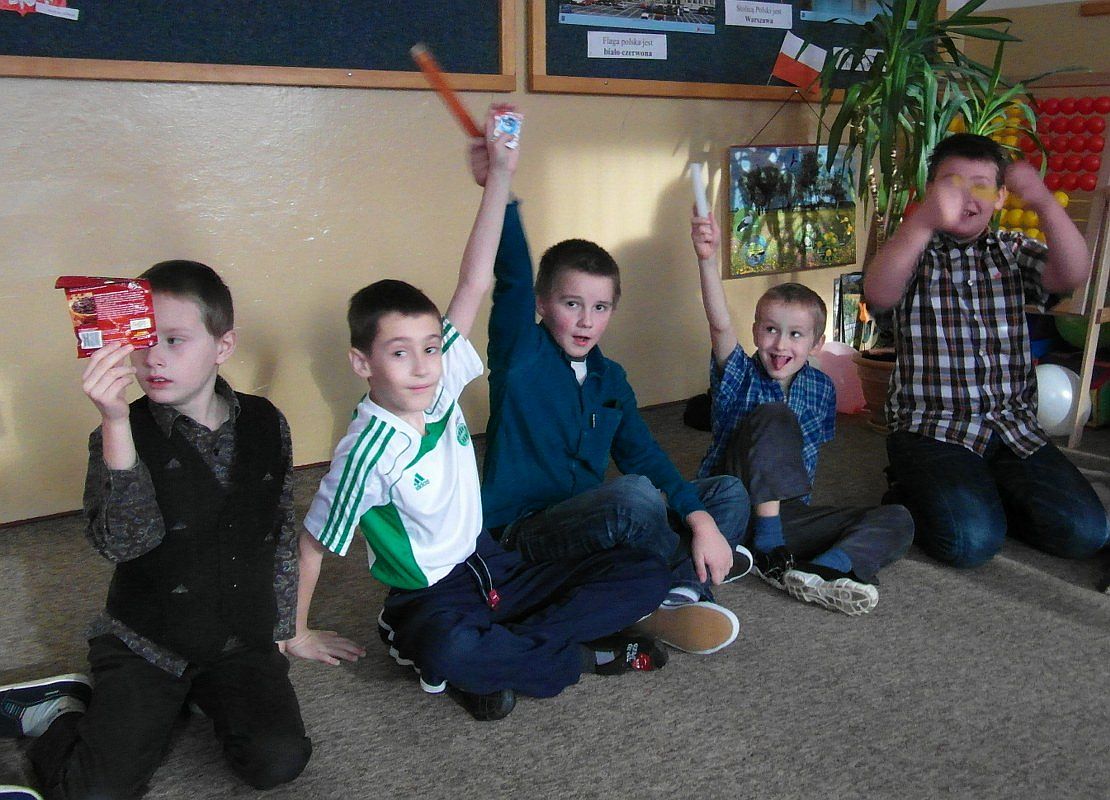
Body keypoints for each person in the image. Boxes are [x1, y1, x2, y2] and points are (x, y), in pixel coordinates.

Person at [291, 106, 673, 723]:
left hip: (492, 561)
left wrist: (500, 177)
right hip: (431, 595)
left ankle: (511, 656)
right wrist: (296, 632)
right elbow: (310, 544)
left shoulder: (440, 382)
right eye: (398, 353)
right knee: (451, 647)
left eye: (429, 348)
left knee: (646, 574)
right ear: (363, 363)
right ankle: (566, 655)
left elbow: (474, 282)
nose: (422, 366)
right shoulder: (366, 451)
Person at [0, 261, 311, 799]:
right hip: (147, 638)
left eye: (174, 340)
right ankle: (57, 711)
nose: (153, 358)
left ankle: (190, 699)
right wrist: (115, 422)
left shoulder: (266, 421)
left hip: (239, 632)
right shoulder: (121, 433)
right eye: (142, 340)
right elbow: (123, 543)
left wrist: (282, 624)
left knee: (277, 761)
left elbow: (279, 528)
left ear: (223, 345)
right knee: (91, 792)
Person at [477, 158, 752, 656]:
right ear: (541, 304)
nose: (586, 321)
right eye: (572, 304)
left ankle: (678, 591)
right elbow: (512, 276)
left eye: (600, 307)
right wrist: (503, 190)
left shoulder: (611, 378)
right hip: (525, 532)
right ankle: (683, 578)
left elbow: (644, 455)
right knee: (635, 497)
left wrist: (700, 519)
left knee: (726, 493)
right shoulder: (521, 356)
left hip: (592, 523)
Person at [867, 132, 1109, 571]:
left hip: (1011, 427)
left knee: (1087, 533)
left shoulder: (1010, 250)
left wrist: (1043, 201)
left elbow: (1072, 274)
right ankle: (911, 489)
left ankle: (983, 490)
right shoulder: (913, 251)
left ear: (999, 198)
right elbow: (879, 291)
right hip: (932, 427)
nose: (966, 196)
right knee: (971, 543)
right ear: (930, 192)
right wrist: (922, 222)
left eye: (980, 186)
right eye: (951, 184)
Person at [690, 211, 913, 615]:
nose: (780, 344)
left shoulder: (822, 388)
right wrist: (707, 260)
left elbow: (807, 459)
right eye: (770, 330)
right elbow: (719, 326)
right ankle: (768, 547)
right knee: (776, 416)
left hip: (786, 514)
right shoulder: (739, 373)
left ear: (816, 343)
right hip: (730, 504)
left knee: (899, 518)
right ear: (755, 331)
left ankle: (824, 569)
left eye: (795, 334)